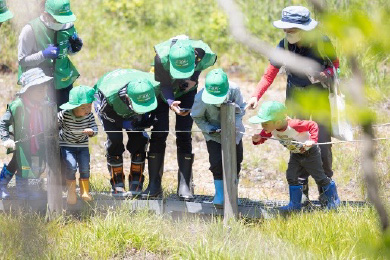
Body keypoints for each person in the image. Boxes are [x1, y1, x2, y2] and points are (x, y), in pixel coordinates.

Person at [246, 6, 339, 203]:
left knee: (321, 142)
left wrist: (325, 75)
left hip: (319, 97)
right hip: (295, 97)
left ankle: (326, 191)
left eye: (292, 30)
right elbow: (269, 73)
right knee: (297, 141)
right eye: (285, 30)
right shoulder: (284, 46)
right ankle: (301, 192)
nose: (287, 33)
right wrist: (256, 95)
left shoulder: (322, 42)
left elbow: (335, 65)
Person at [147, 35, 217, 200]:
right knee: (159, 132)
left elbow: (199, 69)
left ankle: (185, 184)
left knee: (184, 133)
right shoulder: (160, 58)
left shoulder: (202, 53)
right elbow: (164, 85)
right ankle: (154, 184)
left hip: (187, 92)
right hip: (162, 91)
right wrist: (171, 102)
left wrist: (192, 79)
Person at [250, 101, 340, 211]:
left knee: (320, 178)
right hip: (296, 155)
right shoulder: (271, 129)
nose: (262, 127)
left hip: (310, 153)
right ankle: (295, 204)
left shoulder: (293, 125)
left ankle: (333, 201)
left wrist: (312, 140)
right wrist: (258, 139)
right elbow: (264, 135)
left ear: (278, 122)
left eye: (265, 124)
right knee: (291, 176)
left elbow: (312, 125)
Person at [94, 69, 160, 197]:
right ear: (128, 98)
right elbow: (105, 114)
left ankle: (137, 179)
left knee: (139, 139)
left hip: (136, 93)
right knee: (115, 139)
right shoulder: (109, 97)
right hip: (109, 106)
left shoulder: (154, 86)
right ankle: (117, 181)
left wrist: (150, 117)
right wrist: (125, 124)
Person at [191, 69, 245, 207]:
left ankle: (233, 194)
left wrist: (234, 126)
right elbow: (197, 116)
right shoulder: (200, 98)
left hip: (234, 132)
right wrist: (210, 129)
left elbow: (241, 110)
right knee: (216, 162)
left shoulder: (234, 90)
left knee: (236, 160)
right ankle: (220, 195)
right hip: (213, 134)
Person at [18, 0, 82, 108]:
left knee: (64, 116)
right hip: (40, 85)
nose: (61, 23)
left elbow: (68, 52)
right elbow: (22, 60)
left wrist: (75, 48)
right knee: (45, 121)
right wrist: (43, 54)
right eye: (57, 19)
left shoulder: (68, 26)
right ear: (45, 13)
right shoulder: (30, 29)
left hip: (63, 79)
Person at [0, 68, 52, 199]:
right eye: (38, 88)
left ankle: (31, 189)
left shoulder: (45, 105)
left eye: (44, 88)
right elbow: (3, 123)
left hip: (38, 143)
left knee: (35, 164)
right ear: (28, 90)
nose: (43, 91)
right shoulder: (17, 106)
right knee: (19, 163)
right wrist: (6, 139)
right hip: (22, 143)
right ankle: (16, 190)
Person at [58, 85, 98, 204]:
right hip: (67, 145)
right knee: (71, 167)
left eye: (89, 106)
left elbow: (95, 128)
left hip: (82, 146)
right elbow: (54, 121)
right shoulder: (65, 114)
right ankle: (71, 192)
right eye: (83, 108)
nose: (87, 110)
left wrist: (91, 132)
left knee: (85, 167)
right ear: (74, 107)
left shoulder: (89, 116)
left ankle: (84, 191)